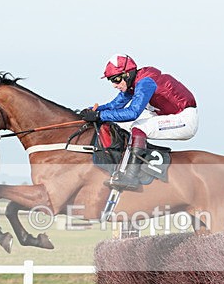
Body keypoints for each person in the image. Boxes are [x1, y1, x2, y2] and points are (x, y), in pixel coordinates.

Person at [81, 54, 198, 191]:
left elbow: (132, 113)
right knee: (118, 124)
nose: (114, 85)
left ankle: (131, 175)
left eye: (116, 80)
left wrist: (99, 115)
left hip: (184, 118)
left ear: (128, 74)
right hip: (162, 113)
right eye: (111, 80)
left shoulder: (145, 83)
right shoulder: (133, 82)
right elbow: (114, 106)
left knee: (138, 127)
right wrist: (90, 111)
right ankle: (120, 162)